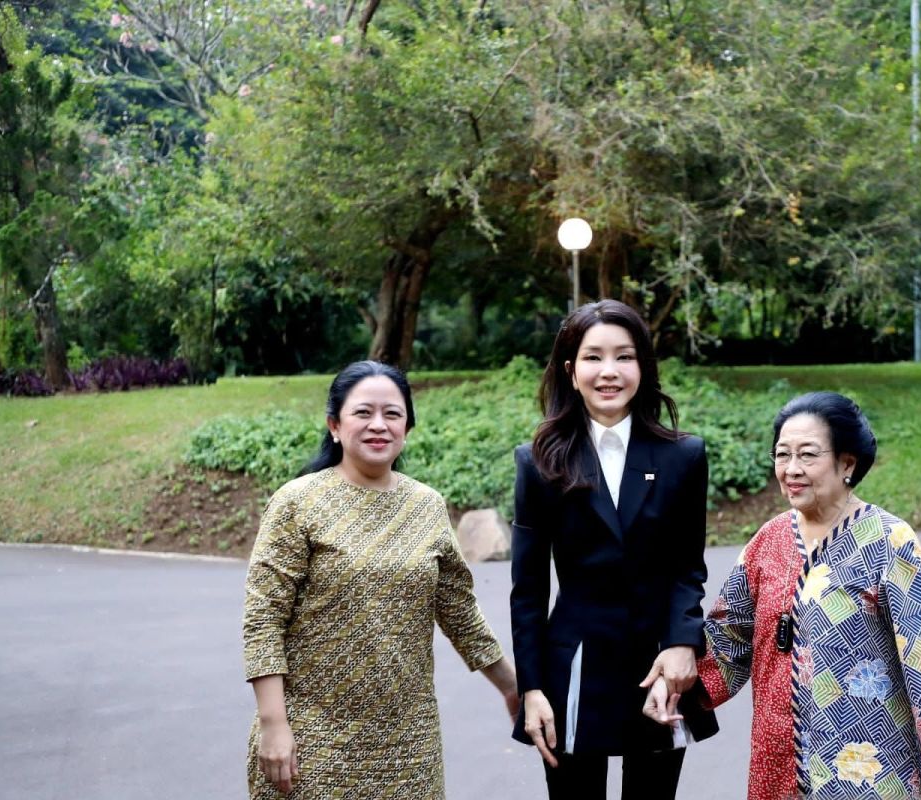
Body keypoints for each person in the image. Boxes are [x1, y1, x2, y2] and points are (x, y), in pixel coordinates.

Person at [645, 391, 921, 800]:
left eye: (808, 456)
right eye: (783, 455)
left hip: (871, 762)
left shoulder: (888, 540)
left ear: (846, 463)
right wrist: (676, 682)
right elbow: (728, 639)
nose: (791, 469)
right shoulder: (768, 542)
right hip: (779, 759)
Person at [241, 360, 518, 799]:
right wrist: (274, 723)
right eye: (363, 413)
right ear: (334, 425)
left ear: (407, 426)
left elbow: (459, 613)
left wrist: (512, 687)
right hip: (311, 735)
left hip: (409, 741)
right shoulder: (297, 503)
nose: (378, 425)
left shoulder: (426, 505)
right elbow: (263, 621)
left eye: (392, 414)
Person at [510, 299, 718, 800]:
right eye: (593, 357)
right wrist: (532, 689)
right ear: (571, 370)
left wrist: (682, 643)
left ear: (643, 368)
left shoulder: (683, 455)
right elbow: (529, 591)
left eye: (624, 357)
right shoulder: (539, 462)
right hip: (574, 666)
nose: (609, 372)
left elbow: (687, 568)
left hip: (659, 667)